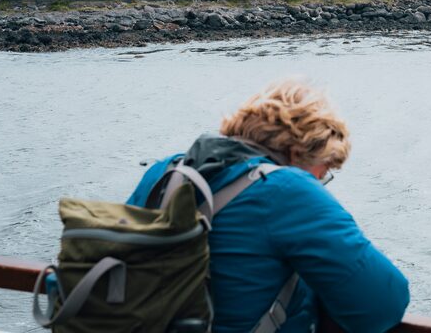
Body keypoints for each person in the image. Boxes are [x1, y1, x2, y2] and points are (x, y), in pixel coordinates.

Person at [128, 80, 409, 333]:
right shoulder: (286, 189)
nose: (321, 182)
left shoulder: (166, 171)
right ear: (301, 153)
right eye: (323, 172)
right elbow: (382, 307)